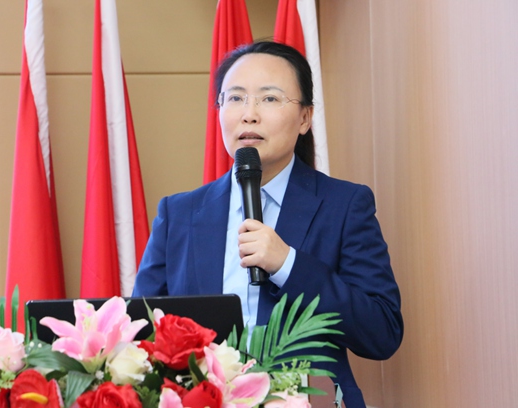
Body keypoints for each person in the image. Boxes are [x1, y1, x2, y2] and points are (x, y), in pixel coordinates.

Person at [132, 41, 403, 408]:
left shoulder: (344, 205)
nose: (249, 114)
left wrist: (288, 264)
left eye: (270, 98)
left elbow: (381, 332)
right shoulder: (179, 214)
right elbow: (141, 332)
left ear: (305, 118)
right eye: (236, 98)